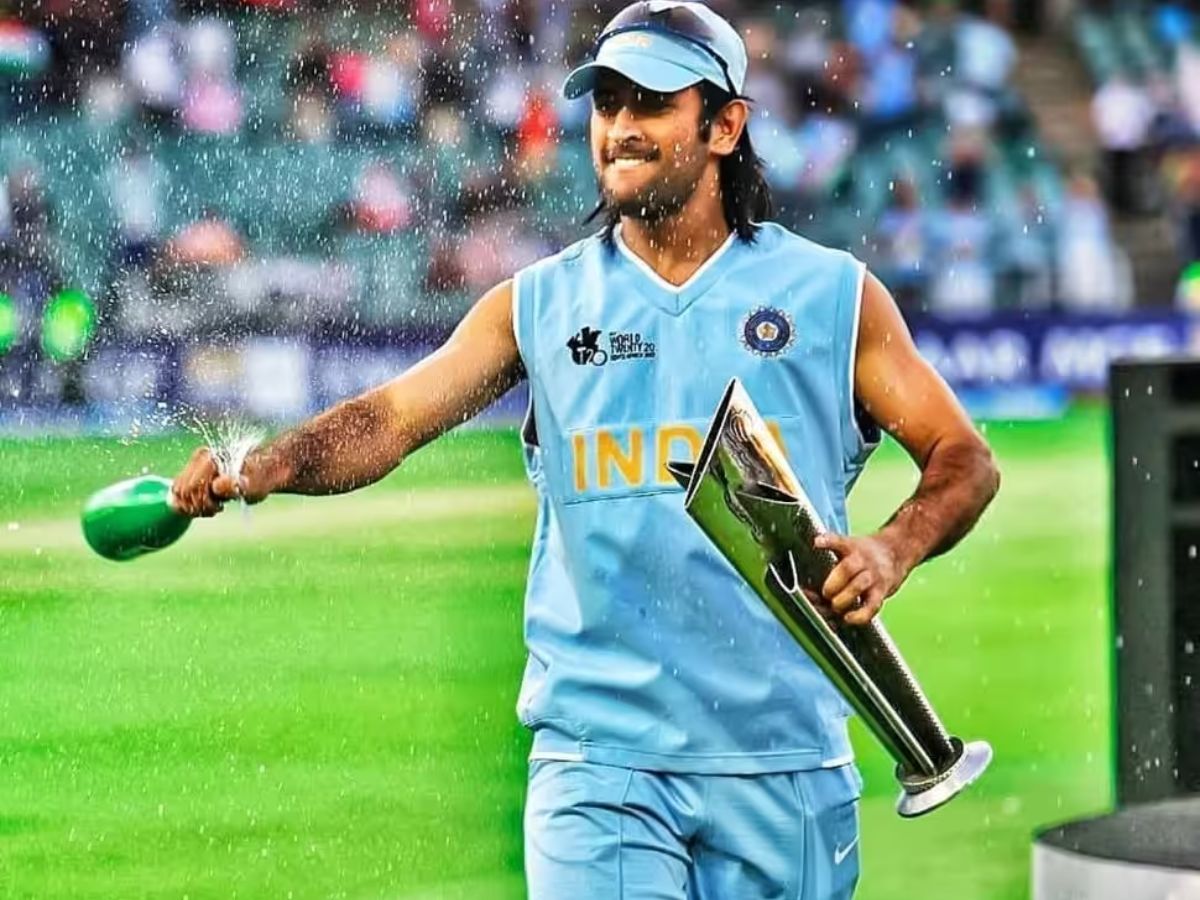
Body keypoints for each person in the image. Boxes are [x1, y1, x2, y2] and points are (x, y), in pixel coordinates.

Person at [170, 4, 1000, 898]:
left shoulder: (834, 296)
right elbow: (390, 420)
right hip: (599, 764)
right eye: (606, 104)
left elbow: (964, 457)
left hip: (784, 760)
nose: (620, 129)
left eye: (650, 103)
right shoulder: (535, 305)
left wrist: (893, 545)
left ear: (725, 125)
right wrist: (261, 467)